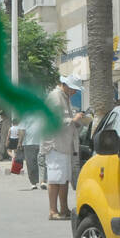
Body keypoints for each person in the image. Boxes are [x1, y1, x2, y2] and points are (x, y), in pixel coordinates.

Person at [41, 77, 87, 220]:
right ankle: (53, 211)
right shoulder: (55, 97)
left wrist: (78, 120)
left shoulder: (65, 97)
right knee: (55, 179)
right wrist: (73, 120)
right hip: (55, 144)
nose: (74, 92)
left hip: (64, 143)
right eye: (73, 89)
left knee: (64, 178)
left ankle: (64, 208)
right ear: (65, 85)